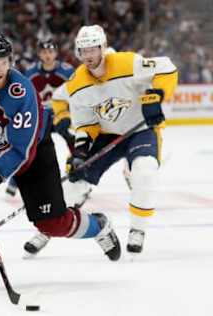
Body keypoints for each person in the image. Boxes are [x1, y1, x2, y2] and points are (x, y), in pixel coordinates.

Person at [0, 32, 122, 290]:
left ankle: (99, 225)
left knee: (53, 224)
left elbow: (21, 151)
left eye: (4, 62)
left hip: (32, 151)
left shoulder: (20, 92)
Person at [24, 25, 178, 257]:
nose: (89, 56)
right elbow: (86, 124)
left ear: (103, 48)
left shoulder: (127, 62)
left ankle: (138, 229)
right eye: (83, 51)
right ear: (78, 52)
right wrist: (79, 154)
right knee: (74, 183)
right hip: (106, 134)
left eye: (93, 49)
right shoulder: (77, 83)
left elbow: (166, 68)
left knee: (144, 171)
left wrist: (155, 96)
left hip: (140, 129)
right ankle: (48, 229)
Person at [5, 37, 75, 197]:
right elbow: (23, 96)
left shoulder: (67, 71)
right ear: (39, 54)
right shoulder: (31, 72)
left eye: (50, 51)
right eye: (44, 52)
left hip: (62, 113)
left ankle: (79, 174)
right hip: (41, 114)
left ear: (56, 53)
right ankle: (15, 182)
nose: (48, 55)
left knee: (73, 140)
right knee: (31, 145)